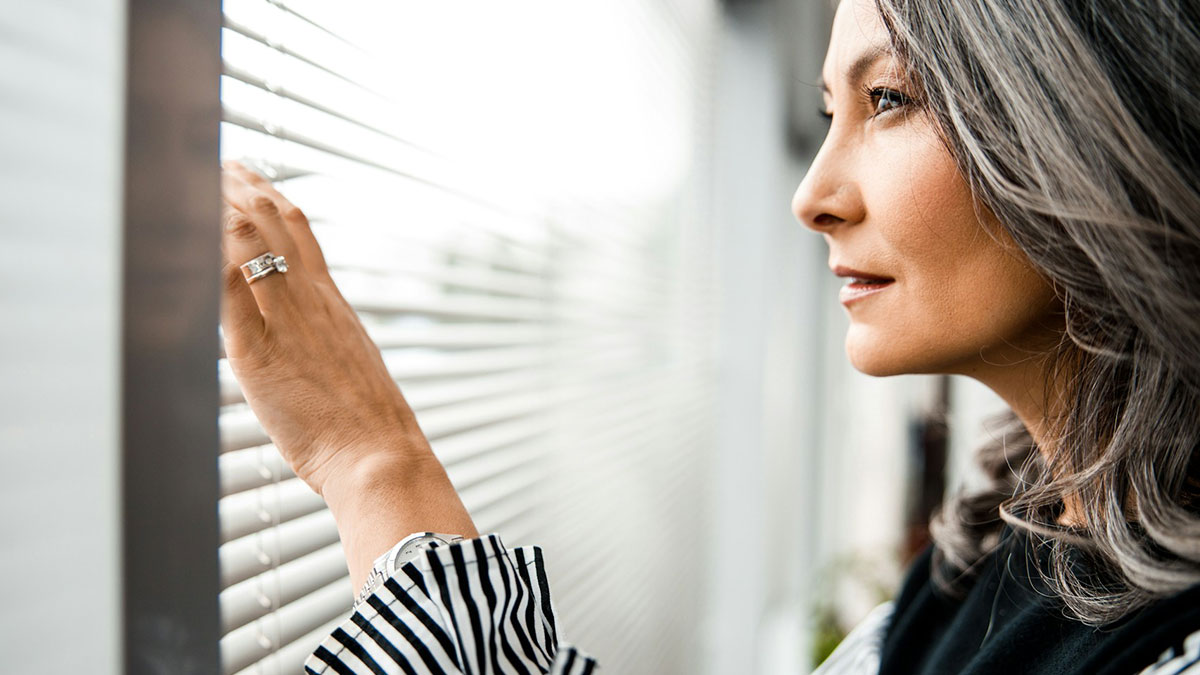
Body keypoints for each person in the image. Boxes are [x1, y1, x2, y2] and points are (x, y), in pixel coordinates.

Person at [217, 0, 1200, 672]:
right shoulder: (994, 554)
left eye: (888, 100)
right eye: (827, 114)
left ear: (1087, 118)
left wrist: (374, 463)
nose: (812, 195)